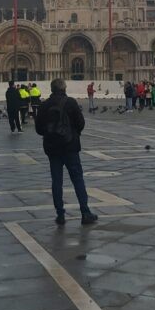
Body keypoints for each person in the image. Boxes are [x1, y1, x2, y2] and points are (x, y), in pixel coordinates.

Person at [34, 78, 98, 226]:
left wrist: (50, 134)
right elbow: (80, 123)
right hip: (70, 147)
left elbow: (38, 129)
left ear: (51, 89)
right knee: (77, 179)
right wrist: (73, 134)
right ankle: (85, 212)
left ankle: (60, 215)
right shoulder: (71, 103)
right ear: (64, 88)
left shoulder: (44, 105)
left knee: (57, 181)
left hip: (53, 149)